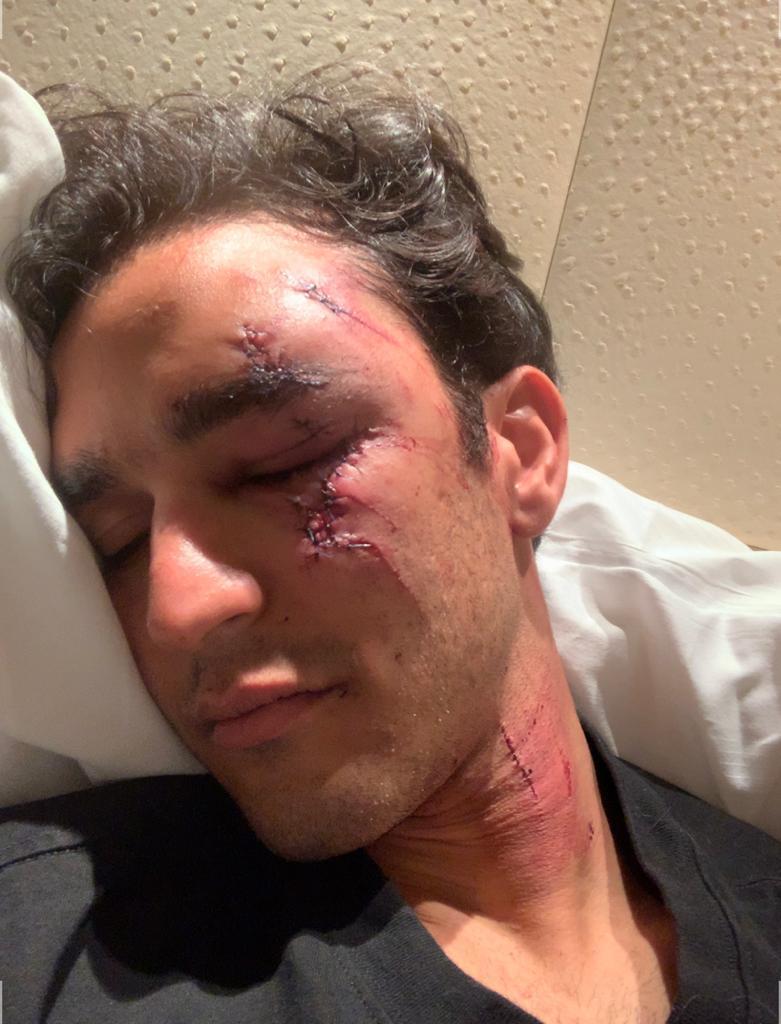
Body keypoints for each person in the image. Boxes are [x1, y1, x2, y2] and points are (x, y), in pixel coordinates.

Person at [2, 68, 779, 1024]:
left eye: (283, 461)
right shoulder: (48, 948)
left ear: (520, 452)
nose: (176, 606)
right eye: (117, 539)